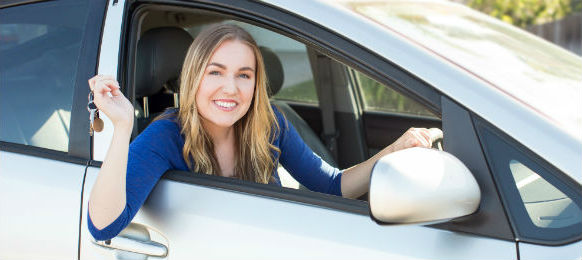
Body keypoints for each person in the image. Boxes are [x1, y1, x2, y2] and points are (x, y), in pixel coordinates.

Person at [87, 24, 434, 241]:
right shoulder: (165, 135)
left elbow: (331, 186)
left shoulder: (271, 123)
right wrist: (122, 128)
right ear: (194, 78)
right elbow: (104, 226)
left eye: (244, 75)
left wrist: (392, 153)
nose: (231, 89)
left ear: (256, 83)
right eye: (216, 72)